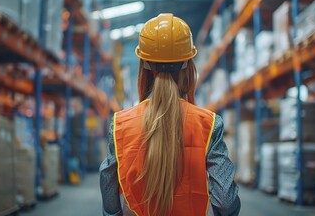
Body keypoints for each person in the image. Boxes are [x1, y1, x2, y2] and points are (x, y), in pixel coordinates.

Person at [100, 13, 240, 216]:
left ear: (145, 65)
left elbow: (108, 186)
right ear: (188, 66)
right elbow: (226, 202)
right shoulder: (208, 124)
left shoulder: (120, 124)